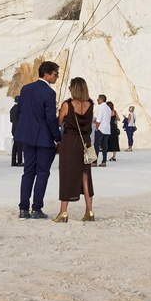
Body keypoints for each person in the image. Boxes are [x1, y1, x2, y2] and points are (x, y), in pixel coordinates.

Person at [16, 62, 62, 219]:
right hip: (44, 139)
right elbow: (50, 119)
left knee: (28, 172)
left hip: (27, 137)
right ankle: (36, 208)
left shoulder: (25, 89)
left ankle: (23, 209)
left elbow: (21, 111)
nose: (57, 77)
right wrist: (57, 137)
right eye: (56, 74)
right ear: (47, 74)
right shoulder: (49, 93)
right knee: (42, 173)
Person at [53, 77, 95, 223]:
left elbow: (59, 122)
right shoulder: (91, 104)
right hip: (86, 143)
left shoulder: (67, 104)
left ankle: (63, 213)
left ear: (73, 88)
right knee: (86, 176)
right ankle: (89, 211)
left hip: (71, 143)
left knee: (67, 175)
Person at [93, 94, 111, 166]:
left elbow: (99, 119)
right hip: (107, 129)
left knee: (96, 146)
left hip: (100, 129)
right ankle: (104, 162)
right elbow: (106, 119)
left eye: (98, 99)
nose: (97, 100)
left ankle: (94, 162)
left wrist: (96, 128)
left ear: (101, 99)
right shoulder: (108, 108)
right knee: (104, 147)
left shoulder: (101, 107)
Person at [9, 97, 23, 166]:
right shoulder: (20, 109)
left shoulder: (12, 109)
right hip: (20, 129)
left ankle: (13, 162)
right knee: (20, 146)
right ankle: (19, 161)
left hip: (14, 129)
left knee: (15, 146)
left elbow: (11, 120)